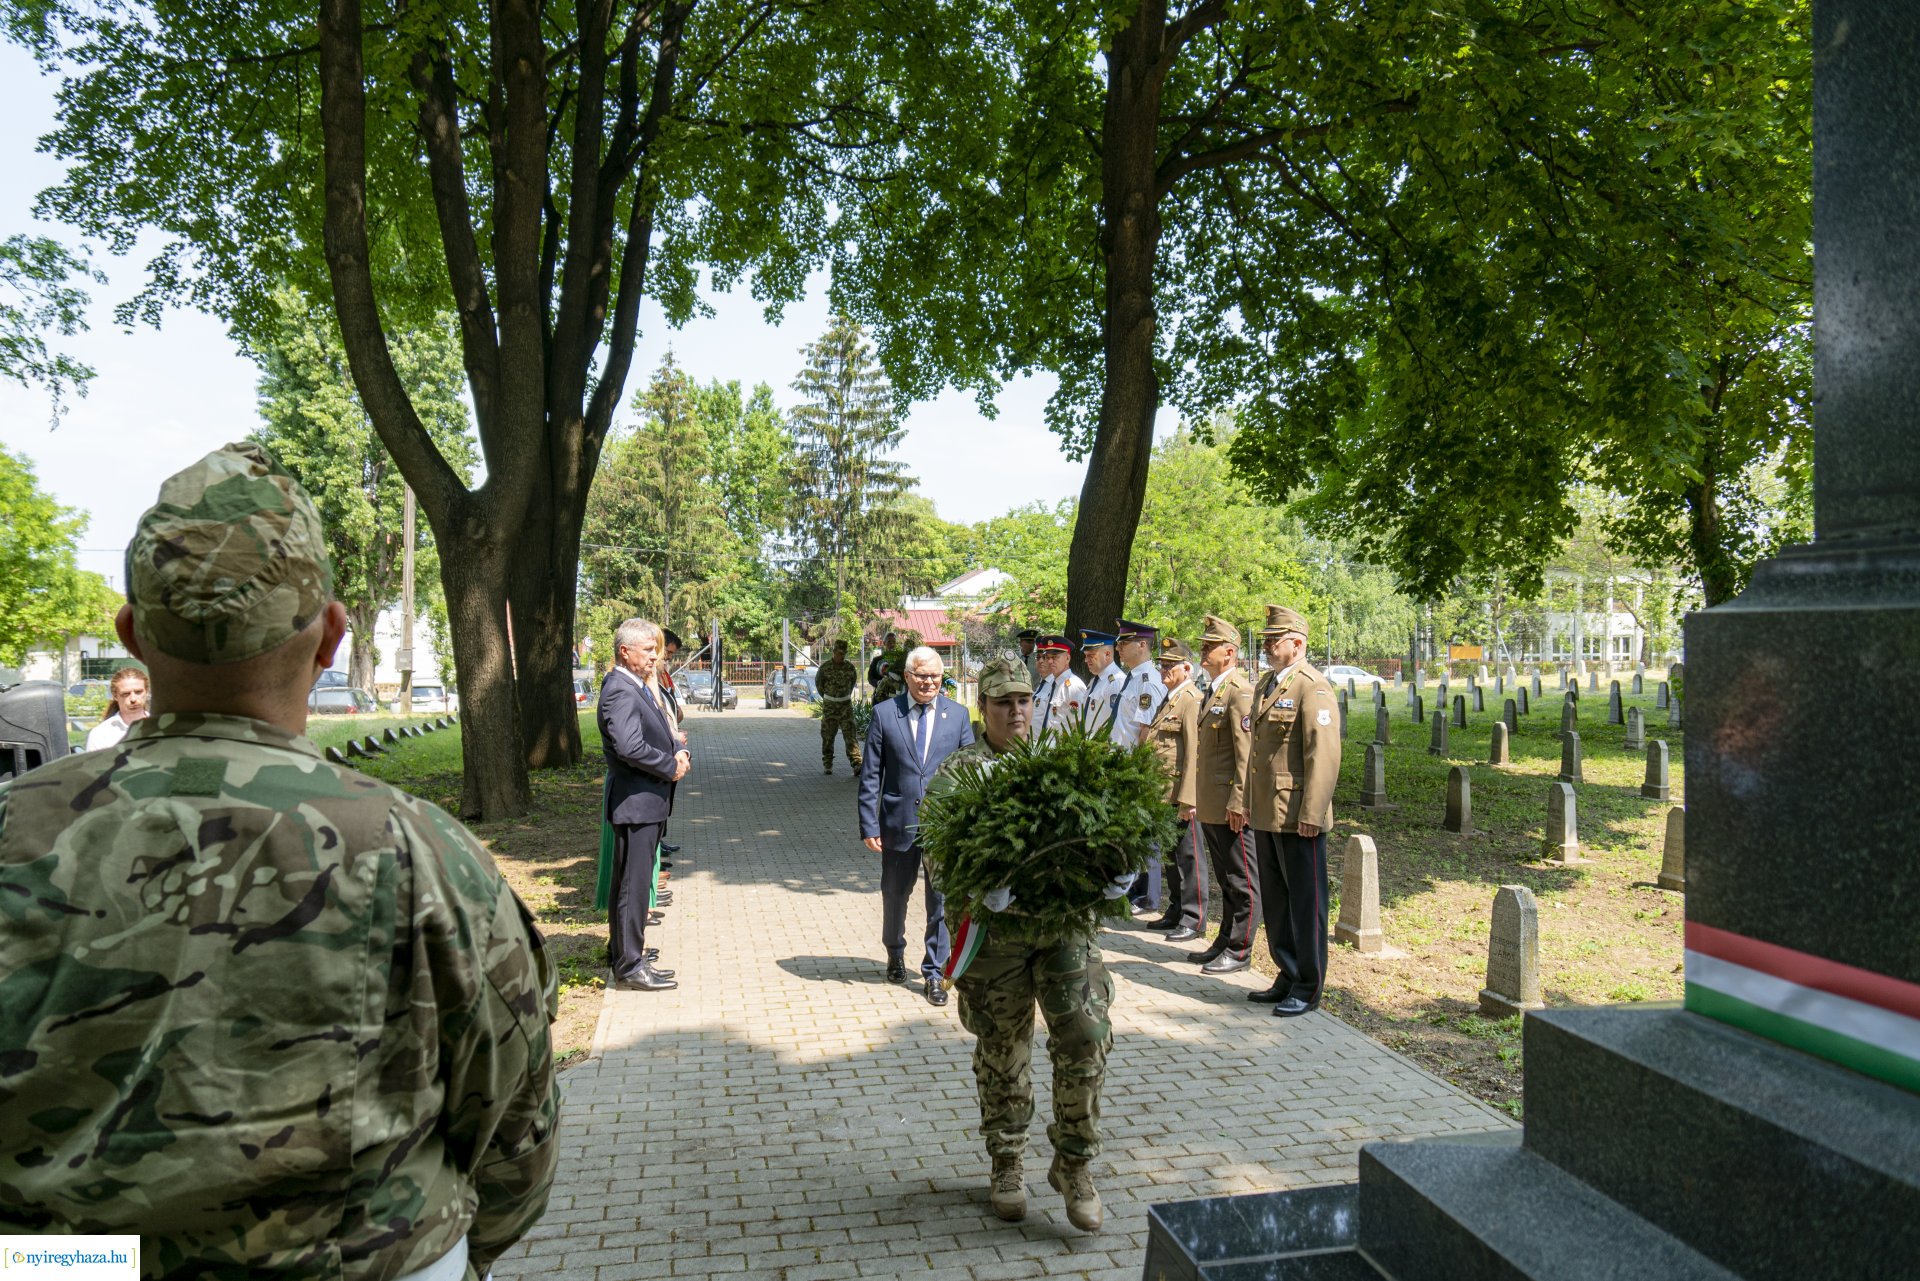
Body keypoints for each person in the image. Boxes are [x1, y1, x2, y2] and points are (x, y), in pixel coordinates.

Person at [0, 443, 558, 1277]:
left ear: (132, 636)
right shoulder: (415, 847)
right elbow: (513, 1113)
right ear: (331, 635)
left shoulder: (13, 827)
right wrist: (454, 1249)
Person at [929, 656, 1119, 1233]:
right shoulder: (958, 774)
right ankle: (1007, 1160)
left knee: (1086, 1036)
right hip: (997, 939)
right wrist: (978, 886)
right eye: (1002, 702)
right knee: (1004, 1050)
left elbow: (1097, 828)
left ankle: (1074, 1164)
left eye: (1023, 701)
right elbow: (936, 857)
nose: (1015, 711)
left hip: (1063, 930)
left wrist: (1117, 869)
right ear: (982, 707)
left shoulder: (1060, 763)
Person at [857, 644, 973, 1004]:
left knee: (940, 901)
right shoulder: (885, 714)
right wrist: (869, 824)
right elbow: (871, 775)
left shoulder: (958, 715)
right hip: (898, 822)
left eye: (935, 676)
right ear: (907, 676)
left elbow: (971, 771)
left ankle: (934, 972)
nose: (928, 682)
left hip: (943, 826)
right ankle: (894, 951)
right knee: (894, 893)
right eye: (922, 676)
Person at [1246, 604, 1342, 1018]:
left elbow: (1324, 755)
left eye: (1275, 639)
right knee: (1278, 902)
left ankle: (1308, 985)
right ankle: (1287, 973)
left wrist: (1313, 813)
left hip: (1297, 813)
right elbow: (1257, 754)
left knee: (1306, 904)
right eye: (1267, 639)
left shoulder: (1312, 687)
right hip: (1268, 812)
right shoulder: (1267, 684)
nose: (1268, 645)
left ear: (1298, 644)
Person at [599, 617, 690, 992]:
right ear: (625, 651)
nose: (655, 656)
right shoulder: (621, 689)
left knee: (629, 883)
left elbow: (656, 731)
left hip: (643, 800)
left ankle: (625, 951)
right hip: (636, 801)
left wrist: (677, 749)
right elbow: (629, 746)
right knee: (632, 886)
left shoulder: (632, 684)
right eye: (648, 650)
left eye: (656, 650)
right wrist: (670, 766)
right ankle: (630, 964)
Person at [1192, 613, 1259, 974]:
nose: (1204, 650)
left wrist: (1239, 801)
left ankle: (1240, 949)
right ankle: (1224, 940)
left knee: (1241, 880)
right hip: (1212, 802)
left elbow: (1245, 754)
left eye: (1211, 646)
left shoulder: (1239, 692)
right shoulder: (1214, 689)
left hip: (1229, 804)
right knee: (1226, 879)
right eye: (1203, 645)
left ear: (1230, 652)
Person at [1143, 637, 1206, 942]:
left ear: (1187, 669)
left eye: (1171, 665)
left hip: (1180, 794)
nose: (1164, 670)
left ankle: (1194, 918)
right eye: (1162, 665)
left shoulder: (1191, 700)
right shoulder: (1170, 698)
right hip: (1162, 792)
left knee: (1188, 857)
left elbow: (1194, 752)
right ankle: (1177, 909)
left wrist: (1189, 798)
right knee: (1171, 855)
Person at [1111, 618, 1168, 914]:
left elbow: (1146, 729)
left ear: (1142, 645)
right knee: (1131, 832)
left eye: (1125, 642)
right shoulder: (1132, 678)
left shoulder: (1148, 681)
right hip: (1122, 764)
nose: (1119, 647)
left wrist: (1139, 769)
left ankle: (1147, 896)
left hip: (1135, 765)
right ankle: (1133, 889)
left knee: (1145, 833)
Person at [816, 638, 862, 774]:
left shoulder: (850, 668)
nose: (841, 656)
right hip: (830, 706)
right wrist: (830, 698)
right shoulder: (825, 668)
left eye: (844, 654)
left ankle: (857, 763)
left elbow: (852, 683)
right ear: (834, 651)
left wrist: (843, 696)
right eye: (839, 653)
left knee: (850, 735)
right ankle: (828, 763)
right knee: (828, 736)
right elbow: (819, 685)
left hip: (845, 706)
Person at [1029, 633, 1086, 738]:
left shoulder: (1073, 686)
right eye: (1048, 657)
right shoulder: (1054, 685)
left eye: (1054, 657)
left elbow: (1079, 724)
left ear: (1067, 658)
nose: (1050, 661)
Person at [83, 664, 150, 750]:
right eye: (126, 694)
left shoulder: (160, 726)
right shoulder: (100, 734)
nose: (133, 699)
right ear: (115, 696)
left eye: (138, 692)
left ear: (147, 692)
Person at [1075, 629, 1124, 738]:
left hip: (1103, 747)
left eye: (1091, 655)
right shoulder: (1095, 681)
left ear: (1107, 654)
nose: (1086, 660)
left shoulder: (1116, 682)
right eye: (1086, 655)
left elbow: (1116, 725)